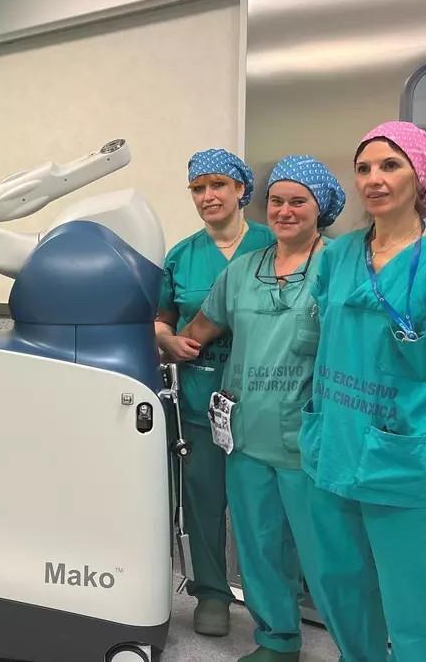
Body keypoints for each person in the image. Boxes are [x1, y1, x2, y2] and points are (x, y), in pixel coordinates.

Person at [300, 121, 426, 662]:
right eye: (363, 168)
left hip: (404, 457)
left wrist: (407, 396)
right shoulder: (337, 256)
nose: (374, 179)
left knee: (416, 601)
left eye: (390, 165)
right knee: (341, 585)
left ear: (421, 174)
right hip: (333, 446)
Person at [176, 156, 346, 662]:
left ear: (321, 206)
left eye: (298, 201)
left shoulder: (339, 266)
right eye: (277, 201)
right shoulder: (243, 270)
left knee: (329, 553)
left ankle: (358, 649)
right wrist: (162, 338)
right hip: (246, 433)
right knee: (258, 543)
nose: (284, 211)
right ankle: (276, 640)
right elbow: (199, 330)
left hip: (309, 438)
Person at [155, 148, 274, 636]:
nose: (208, 196)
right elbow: (161, 319)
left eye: (218, 185)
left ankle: (273, 603)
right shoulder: (181, 256)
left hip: (267, 400)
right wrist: (165, 340)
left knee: (263, 508)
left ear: (241, 189)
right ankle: (211, 593)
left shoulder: (274, 244)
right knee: (202, 500)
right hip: (201, 397)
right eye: (198, 188)